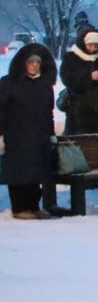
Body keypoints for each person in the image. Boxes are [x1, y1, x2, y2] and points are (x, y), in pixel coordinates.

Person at [0, 44, 57, 220]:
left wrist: (51, 133)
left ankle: (33, 206)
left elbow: (49, 111)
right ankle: (20, 208)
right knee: (19, 172)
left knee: (36, 172)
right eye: (31, 62)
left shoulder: (44, 85)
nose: (34, 65)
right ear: (23, 63)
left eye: (37, 62)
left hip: (40, 135)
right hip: (16, 134)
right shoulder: (9, 83)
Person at [60, 27, 98, 134]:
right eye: (90, 45)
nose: (93, 49)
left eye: (95, 46)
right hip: (79, 110)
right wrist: (89, 77)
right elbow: (67, 79)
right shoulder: (71, 58)